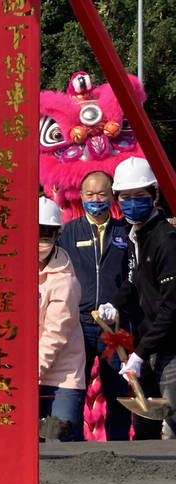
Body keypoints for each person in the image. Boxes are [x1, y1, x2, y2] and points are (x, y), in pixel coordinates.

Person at [98, 157, 176, 439]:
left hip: (169, 352)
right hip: (147, 349)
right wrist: (114, 304)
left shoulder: (166, 240)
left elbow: (171, 306)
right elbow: (133, 283)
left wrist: (141, 354)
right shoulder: (136, 236)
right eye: (126, 197)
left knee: (173, 423)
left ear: (155, 194)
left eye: (140, 196)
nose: (132, 203)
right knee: (144, 429)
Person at [58, 171, 131, 440]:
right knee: (74, 391)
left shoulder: (125, 232)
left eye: (101, 194)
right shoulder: (68, 232)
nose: (95, 199)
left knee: (119, 391)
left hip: (115, 327)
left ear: (111, 195)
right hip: (78, 325)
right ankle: (72, 448)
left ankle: (122, 447)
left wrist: (119, 304)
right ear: (82, 196)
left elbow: (132, 278)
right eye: (89, 195)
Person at [38, 196, 87, 441]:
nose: (39, 241)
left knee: (60, 444)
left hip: (63, 376)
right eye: (34, 233)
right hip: (28, 374)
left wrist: (31, 371)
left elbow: (55, 333)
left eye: (46, 235)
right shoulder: (10, 272)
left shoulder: (65, 281)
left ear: (57, 235)